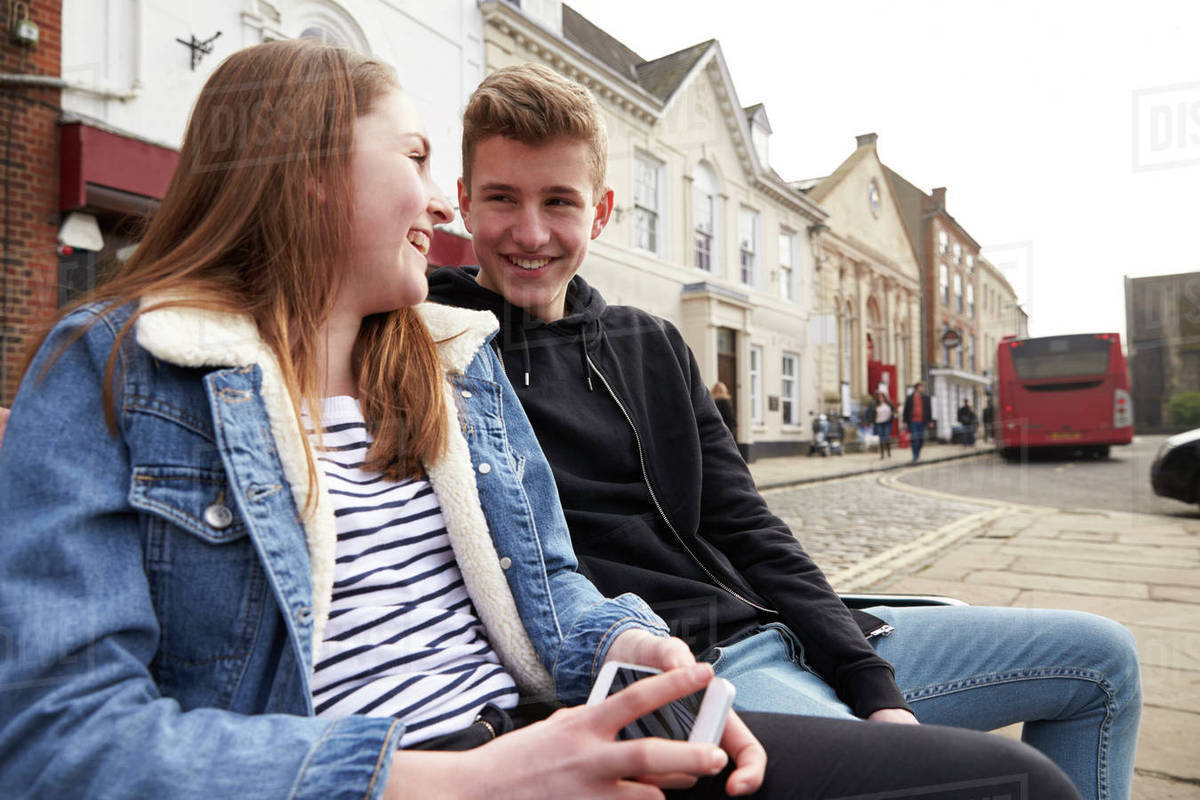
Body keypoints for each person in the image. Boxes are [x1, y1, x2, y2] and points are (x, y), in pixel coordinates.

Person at [0, 41, 1081, 800]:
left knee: (1019, 780)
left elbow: (553, 583)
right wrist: (473, 780)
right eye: (419, 162)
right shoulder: (118, 366)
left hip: (560, 735)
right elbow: (56, 739)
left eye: (556, 202)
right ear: (306, 169)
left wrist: (635, 648)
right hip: (421, 771)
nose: (444, 208)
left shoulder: (444, 361)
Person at [429, 62, 1138, 800]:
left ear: (601, 212)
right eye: (502, 198)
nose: (531, 232)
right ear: (464, 204)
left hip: (783, 629)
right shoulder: (429, 351)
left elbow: (745, 523)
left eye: (560, 201)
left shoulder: (651, 343)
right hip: (694, 666)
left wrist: (867, 679)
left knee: (1103, 660)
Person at [902, 381, 933, 462]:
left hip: (922, 421)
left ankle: (917, 453)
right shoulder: (910, 398)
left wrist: (930, 421)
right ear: (916, 388)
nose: (923, 388)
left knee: (922, 439)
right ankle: (915, 456)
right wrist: (904, 421)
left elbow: (929, 410)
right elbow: (906, 410)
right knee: (915, 439)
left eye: (923, 387)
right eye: (921, 387)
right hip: (913, 421)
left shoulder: (926, 398)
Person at [873, 391, 894, 459]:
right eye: (879, 398)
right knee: (881, 438)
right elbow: (872, 415)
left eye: (882, 397)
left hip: (887, 423)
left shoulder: (888, 404)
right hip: (879, 423)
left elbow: (893, 411)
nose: (881, 399)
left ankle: (888, 452)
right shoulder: (875, 405)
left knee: (887, 437)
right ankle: (882, 454)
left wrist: (892, 417)